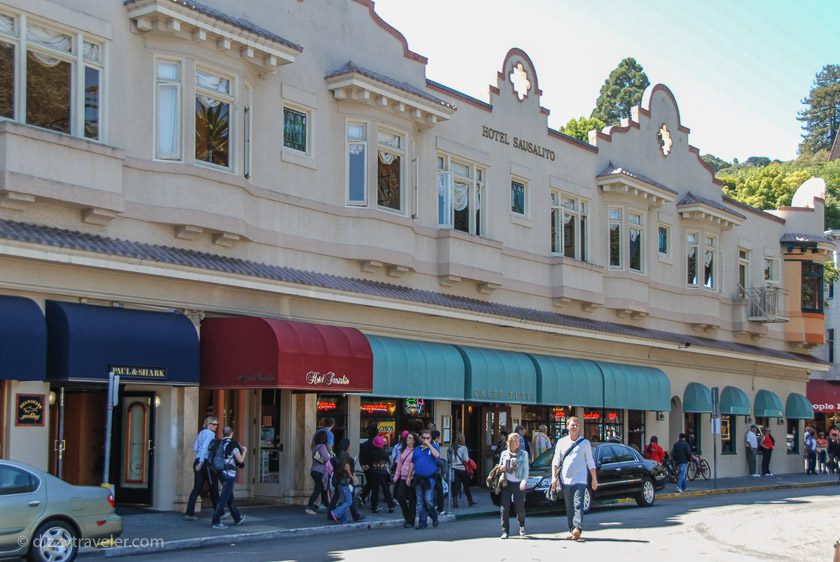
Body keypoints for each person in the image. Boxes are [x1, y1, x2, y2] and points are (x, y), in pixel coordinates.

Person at [551, 416, 597, 542]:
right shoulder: (561, 442)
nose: (574, 427)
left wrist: (594, 479)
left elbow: (590, 462)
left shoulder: (585, 443)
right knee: (569, 506)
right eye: (572, 425)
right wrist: (553, 478)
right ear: (567, 426)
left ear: (579, 427)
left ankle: (577, 528)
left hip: (580, 479)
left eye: (576, 425)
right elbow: (556, 461)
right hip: (565, 480)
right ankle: (572, 530)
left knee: (578, 504)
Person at [210, 426, 247, 529]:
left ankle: (237, 517)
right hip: (229, 474)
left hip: (220, 472)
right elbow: (240, 461)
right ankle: (216, 521)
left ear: (223, 433)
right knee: (224, 498)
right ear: (232, 433)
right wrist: (244, 451)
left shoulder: (219, 443)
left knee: (229, 496)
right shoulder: (233, 445)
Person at [185, 416, 220, 520]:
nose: (216, 426)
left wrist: (199, 459)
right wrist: (201, 461)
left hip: (198, 460)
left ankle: (189, 513)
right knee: (213, 486)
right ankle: (219, 511)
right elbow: (205, 447)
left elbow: (196, 447)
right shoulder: (210, 434)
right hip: (205, 462)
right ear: (208, 424)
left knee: (197, 487)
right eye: (213, 424)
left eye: (216, 424)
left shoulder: (201, 433)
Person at [499, 432, 529, 539]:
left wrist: (524, 481)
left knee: (519, 508)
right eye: (515, 440)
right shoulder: (504, 454)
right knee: (504, 507)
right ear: (509, 442)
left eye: (518, 440)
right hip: (506, 482)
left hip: (518, 483)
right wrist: (501, 468)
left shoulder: (524, 454)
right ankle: (505, 531)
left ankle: (521, 525)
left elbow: (526, 470)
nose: (517, 442)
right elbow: (500, 467)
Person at [409, 429, 440, 529]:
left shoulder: (434, 447)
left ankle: (434, 516)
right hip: (418, 478)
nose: (425, 439)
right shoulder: (417, 449)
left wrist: (429, 445)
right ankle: (422, 522)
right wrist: (409, 476)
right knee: (419, 501)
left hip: (429, 479)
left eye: (428, 438)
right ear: (420, 438)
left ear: (431, 438)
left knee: (428, 500)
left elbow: (437, 455)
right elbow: (412, 462)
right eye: (424, 437)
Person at [329, 438, 356, 524]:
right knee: (349, 501)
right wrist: (351, 476)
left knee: (344, 500)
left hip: (339, 481)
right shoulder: (346, 456)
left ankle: (344, 519)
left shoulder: (338, 456)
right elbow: (347, 469)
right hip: (345, 482)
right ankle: (336, 513)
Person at [393, 432, 417, 528]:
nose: (407, 439)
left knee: (412, 500)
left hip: (411, 477)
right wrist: (396, 476)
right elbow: (399, 463)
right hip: (403, 477)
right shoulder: (404, 449)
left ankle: (411, 521)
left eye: (410, 438)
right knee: (400, 497)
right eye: (407, 437)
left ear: (414, 441)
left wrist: (412, 475)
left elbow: (416, 464)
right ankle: (407, 517)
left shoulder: (416, 451)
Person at [305, 428, 331, 515]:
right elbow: (326, 458)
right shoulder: (322, 447)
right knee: (318, 489)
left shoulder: (315, 447)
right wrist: (331, 456)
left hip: (314, 469)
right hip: (320, 471)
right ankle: (309, 508)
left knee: (323, 489)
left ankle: (329, 507)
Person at [368, 435, 395, 513]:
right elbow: (388, 461)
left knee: (374, 490)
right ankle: (390, 506)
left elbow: (369, 462)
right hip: (383, 472)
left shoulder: (371, 452)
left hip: (373, 472)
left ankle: (374, 507)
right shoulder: (384, 452)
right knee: (386, 489)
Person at [450, 432, 476, 508]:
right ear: (462, 439)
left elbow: (449, 458)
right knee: (466, 485)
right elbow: (466, 459)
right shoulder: (464, 448)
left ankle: (455, 503)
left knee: (455, 486)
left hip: (454, 469)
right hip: (462, 469)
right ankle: (470, 501)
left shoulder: (452, 447)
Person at [357, 425, 378, 507]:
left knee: (370, 483)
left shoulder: (364, 444)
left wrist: (363, 465)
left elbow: (360, 456)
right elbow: (375, 457)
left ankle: (362, 496)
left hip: (366, 468)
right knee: (374, 486)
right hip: (373, 467)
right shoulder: (375, 445)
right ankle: (373, 504)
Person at [430, 430, 445, 515]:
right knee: (439, 489)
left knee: (433, 489)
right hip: (435, 470)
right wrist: (440, 463)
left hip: (431, 470)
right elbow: (436, 457)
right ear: (437, 437)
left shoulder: (430, 445)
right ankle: (440, 508)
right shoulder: (434, 446)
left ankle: (434, 505)